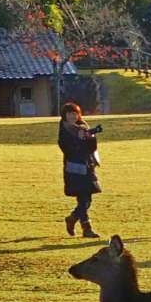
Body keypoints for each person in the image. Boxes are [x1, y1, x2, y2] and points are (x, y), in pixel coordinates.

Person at [57, 99, 102, 237]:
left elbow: (92, 148)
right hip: (74, 169)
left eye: (75, 114)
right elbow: (67, 149)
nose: (73, 117)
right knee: (82, 199)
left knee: (87, 200)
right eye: (70, 114)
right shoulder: (64, 130)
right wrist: (78, 139)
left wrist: (90, 137)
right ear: (64, 115)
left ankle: (72, 218)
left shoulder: (83, 127)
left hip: (87, 167)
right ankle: (86, 228)